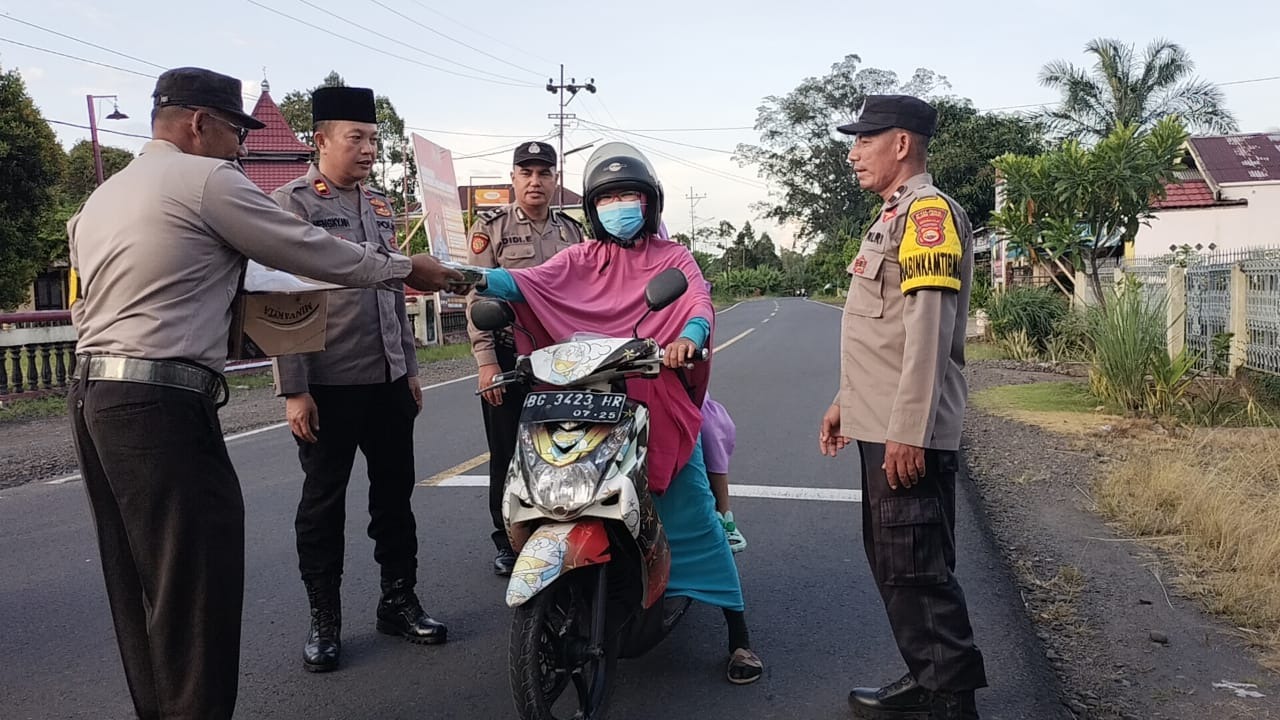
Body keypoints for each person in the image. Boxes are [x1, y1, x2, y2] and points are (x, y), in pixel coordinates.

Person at [65, 67, 462, 720]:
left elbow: (212, 279)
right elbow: (304, 253)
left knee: (141, 583)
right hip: (163, 404)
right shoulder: (208, 181)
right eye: (234, 132)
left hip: (95, 397)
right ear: (198, 123)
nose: (241, 149)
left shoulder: (106, 198)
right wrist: (402, 268)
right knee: (198, 586)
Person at [476, 142, 764, 685]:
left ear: (650, 202)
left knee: (692, 511)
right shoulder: (579, 259)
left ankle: (738, 633)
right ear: (593, 208)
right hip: (587, 400)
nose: (619, 206)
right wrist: (462, 278)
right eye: (607, 198)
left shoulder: (673, 259)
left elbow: (696, 304)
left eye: (629, 196)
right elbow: (526, 284)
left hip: (653, 400)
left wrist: (689, 338)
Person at [818, 95, 987, 719]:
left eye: (866, 138)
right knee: (895, 560)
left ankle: (950, 701)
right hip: (882, 420)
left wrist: (908, 431)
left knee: (916, 568)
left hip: (905, 430)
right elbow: (882, 329)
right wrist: (845, 402)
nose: (854, 151)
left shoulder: (928, 216)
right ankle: (928, 676)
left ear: (902, 144)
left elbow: (928, 332)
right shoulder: (893, 216)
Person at [270, 86, 447, 674]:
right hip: (327, 383)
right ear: (320, 140)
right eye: (357, 138)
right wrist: (294, 388)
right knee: (322, 506)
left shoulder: (380, 204)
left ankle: (398, 600)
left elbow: (393, 291)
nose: (370, 149)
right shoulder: (291, 203)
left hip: (388, 379)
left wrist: (411, 369)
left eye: (374, 139)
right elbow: (279, 299)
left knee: (394, 498)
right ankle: (325, 621)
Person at [466, 140, 585, 576]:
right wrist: (485, 361)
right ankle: (507, 538)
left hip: (563, 358)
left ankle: (558, 527)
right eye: (526, 173)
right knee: (508, 450)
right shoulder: (491, 227)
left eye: (544, 173)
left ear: (555, 180)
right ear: (513, 178)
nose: (535, 181)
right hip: (506, 354)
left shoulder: (572, 233)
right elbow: (475, 295)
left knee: (563, 445)